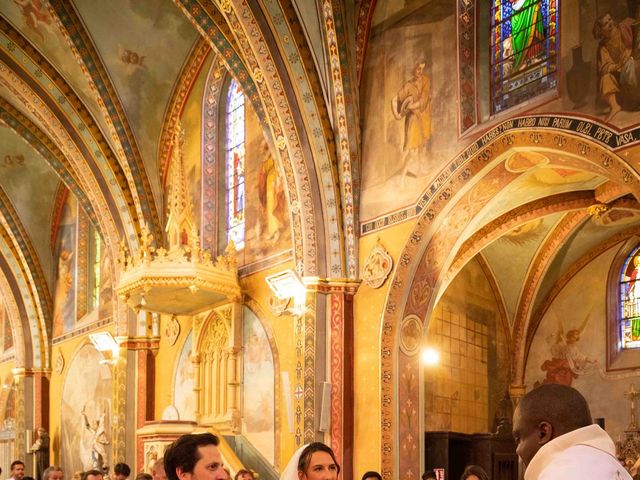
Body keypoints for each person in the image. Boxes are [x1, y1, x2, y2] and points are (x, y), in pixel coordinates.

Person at [512, 383, 632, 479]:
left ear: (543, 432)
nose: (517, 450)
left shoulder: (562, 473)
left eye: (519, 440)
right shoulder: (613, 467)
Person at [593, 12, 640, 121]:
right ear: (601, 30)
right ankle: (615, 106)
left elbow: (635, 39)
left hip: (634, 63)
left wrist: (630, 54)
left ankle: (635, 98)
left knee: (630, 64)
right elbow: (604, 67)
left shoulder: (623, 29)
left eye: (610, 20)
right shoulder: (603, 47)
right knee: (605, 79)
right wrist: (618, 65)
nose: (609, 24)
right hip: (618, 75)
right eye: (605, 23)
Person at [391, 61, 431, 179]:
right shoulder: (408, 86)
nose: (420, 71)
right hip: (413, 119)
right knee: (412, 151)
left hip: (424, 117)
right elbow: (394, 100)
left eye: (422, 69)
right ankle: (402, 176)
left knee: (422, 145)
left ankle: (420, 170)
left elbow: (423, 100)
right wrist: (397, 115)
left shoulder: (426, 81)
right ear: (413, 69)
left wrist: (410, 106)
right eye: (418, 69)